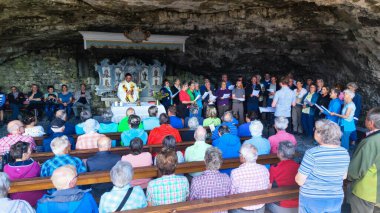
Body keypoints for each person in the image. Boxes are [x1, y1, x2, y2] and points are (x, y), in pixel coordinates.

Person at [295, 119, 350, 213]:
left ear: (321, 134)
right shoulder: (344, 153)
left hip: (312, 198)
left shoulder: (312, 154)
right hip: (335, 197)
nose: (314, 131)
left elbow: (300, 181)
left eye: (315, 129)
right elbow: (343, 176)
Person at [347, 107, 380, 213]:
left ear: (371, 123)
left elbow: (356, 170)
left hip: (366, 192)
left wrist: (347, 177)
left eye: (366, 119)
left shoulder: (370, 142)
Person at [230, 143, 270, 213]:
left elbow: (231, 193)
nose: (239, 155)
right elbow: (267, 186)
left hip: (242, 208)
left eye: (240, 154)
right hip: (260, 207)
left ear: (243, 157)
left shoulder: (236, 172)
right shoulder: (264, 169)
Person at [4, 142, 45, 207]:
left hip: (16, 200)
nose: (31, 152)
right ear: (24, 154)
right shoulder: (34, 165)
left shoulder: (6, 168)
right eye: (29, 150)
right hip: (36, 199)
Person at [267, 141, 299, 213]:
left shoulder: (274, 168)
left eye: (277, 149)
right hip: (298, 203)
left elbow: (268, 187)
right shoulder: (298, 166)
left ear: (280, 153)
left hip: (282, 206)